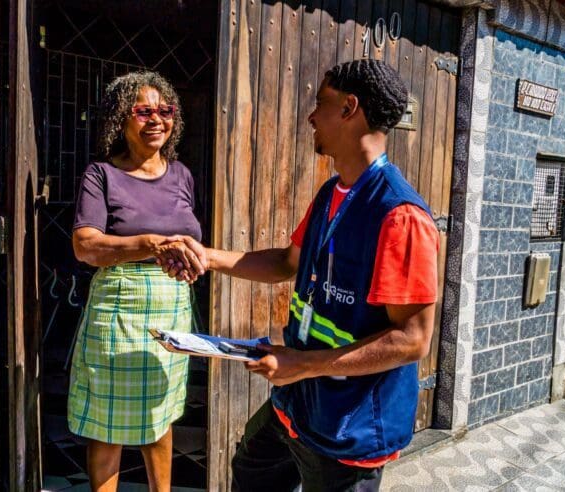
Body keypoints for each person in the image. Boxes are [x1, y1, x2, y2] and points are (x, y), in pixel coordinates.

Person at [164, 59, 439, 491]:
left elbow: (412, 339)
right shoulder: (332, 192)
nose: (311, 116)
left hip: (348, 427)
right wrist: (208, 257)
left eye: (320, 103)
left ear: (350, 108)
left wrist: (302, 364)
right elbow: (287, 263)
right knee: (251, 469)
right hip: (298, 403)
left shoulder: (400, 216)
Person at [68, 70, 206, 492]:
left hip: (171, 307)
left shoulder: (182, 175)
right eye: (143, 110)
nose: (156, 119)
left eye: (164, 110)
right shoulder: (101, 176)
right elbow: (85, 245)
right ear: (120, 119)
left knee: (159, 415)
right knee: (108, 421)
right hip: (120, 307)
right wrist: (148, 244)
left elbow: (190, 236)